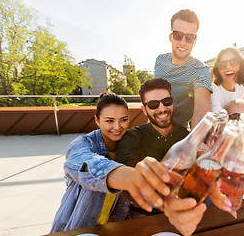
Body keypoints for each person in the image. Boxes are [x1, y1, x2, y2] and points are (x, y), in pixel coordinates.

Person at [50, 92, 171, 233]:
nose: (117, 127)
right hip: (76, 229)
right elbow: (87, 165)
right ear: (97, 120)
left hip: (113, 229)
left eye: (123, 119)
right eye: (109, 121)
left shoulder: (131, 145)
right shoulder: (82, 144)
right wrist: (128, 176)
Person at [154, 9, 212, 129]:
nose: (183, 42)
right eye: (178, 35)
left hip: (177, 134)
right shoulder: (160, 60)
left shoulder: (200, 69)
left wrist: (196, 140)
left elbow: (202, 107)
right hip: (151, 128)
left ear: (195, 41)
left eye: (189, 37)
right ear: (171, 37)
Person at [117, 78, 189, 167]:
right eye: (153, 105)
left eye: (167, 101)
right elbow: (127, 174)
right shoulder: (132, 138)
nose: (162, 109)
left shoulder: (185, 136)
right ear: (144, 110)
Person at [211, 47, 244, 113]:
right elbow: (216, 113)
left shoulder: (240, 89)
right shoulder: (213, 88)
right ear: (217, 69)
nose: (228, 66)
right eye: (222, 64)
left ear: (241, 64)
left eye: (234, 61)